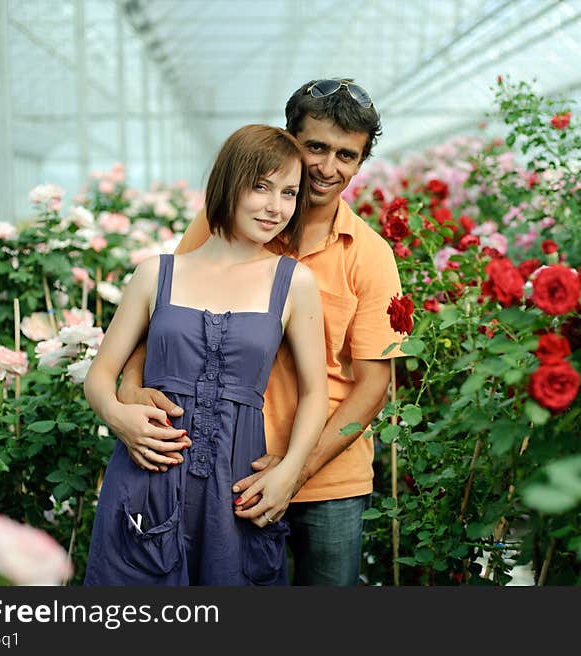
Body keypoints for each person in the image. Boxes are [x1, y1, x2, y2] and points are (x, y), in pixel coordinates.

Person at [118, 78, 403, 585]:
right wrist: (128, 391)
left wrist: (295, 470)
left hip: (328, 481)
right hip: (218, 468)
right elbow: (162, 315)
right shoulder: (225, 221)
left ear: (360, 163)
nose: (328, 167)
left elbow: (373, 385)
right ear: (289, 138)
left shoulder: (370, 255)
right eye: (315, 147)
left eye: (347, 155)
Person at [82, 125, 328, 585]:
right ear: (229, 183)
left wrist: (290, 471)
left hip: (236, 484)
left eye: (290, 192)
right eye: (261, 187)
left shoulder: (293, 282)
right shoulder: (156, 273)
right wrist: (119, 417)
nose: (276, 206)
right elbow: (100, 376)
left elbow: (317, 391)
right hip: (148, 472)